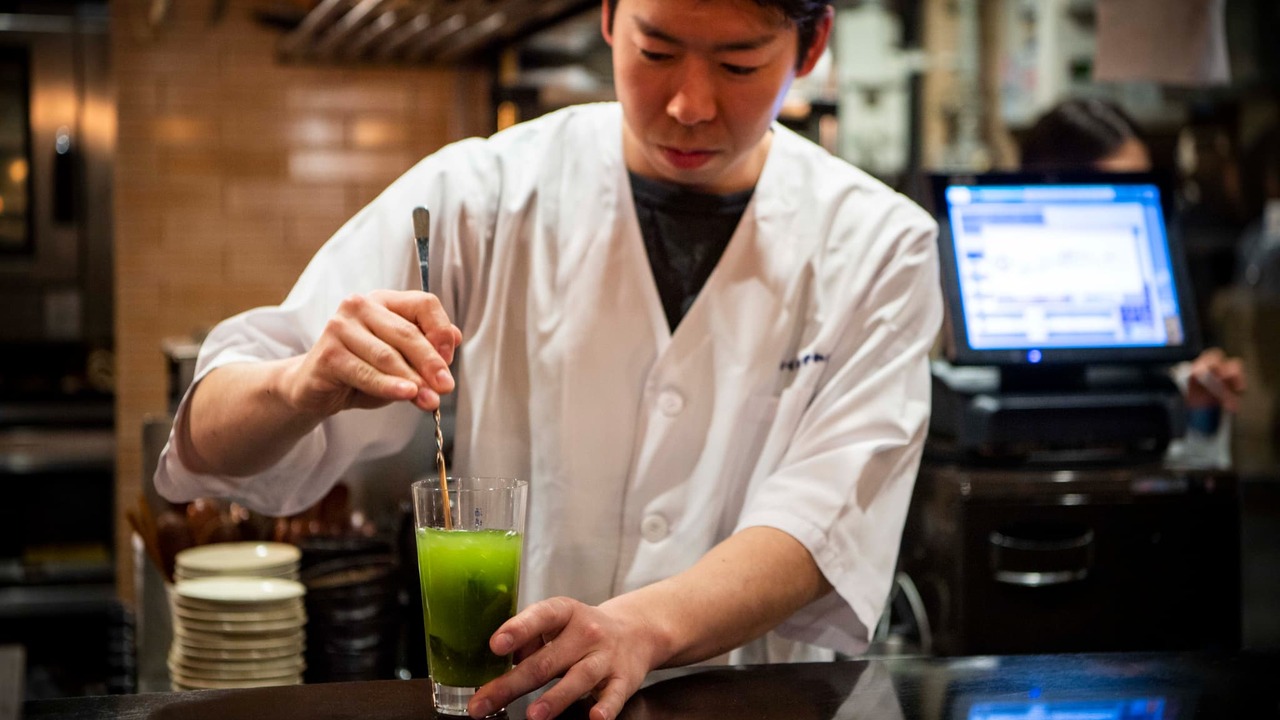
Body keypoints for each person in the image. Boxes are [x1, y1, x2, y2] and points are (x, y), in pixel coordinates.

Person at [154, 1, 943, 718]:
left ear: (811, 47)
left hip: (752, 705)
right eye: (656, 51)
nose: (689, 105)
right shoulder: (485, 191)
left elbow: (825, 518)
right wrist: (300, 384)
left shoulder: (881, 247)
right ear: (607, 17)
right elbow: (209, 439)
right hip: (522, 701)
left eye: (739, 66)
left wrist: (640, 627)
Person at [1020, 97, 1246, 419]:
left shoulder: (1154, 263)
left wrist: (1185, 383)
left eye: (1142, 187)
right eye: (1117, 188)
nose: (1136, 207)